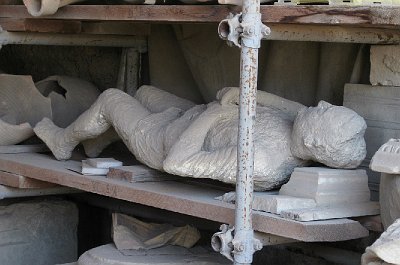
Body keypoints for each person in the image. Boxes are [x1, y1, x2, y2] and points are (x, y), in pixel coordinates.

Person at [34, 86, 367, 190]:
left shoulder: (262, 161)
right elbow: (280, 103)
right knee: (145, 91)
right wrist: (241, 91)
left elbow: (176, 163)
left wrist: (214, 115)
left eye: (324, 112)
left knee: (110, 98)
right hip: (190, 115)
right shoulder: (300, 120)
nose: (320, 104)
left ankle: (64, 141)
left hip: (164, 140)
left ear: (315, 141)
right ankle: (97, 140)